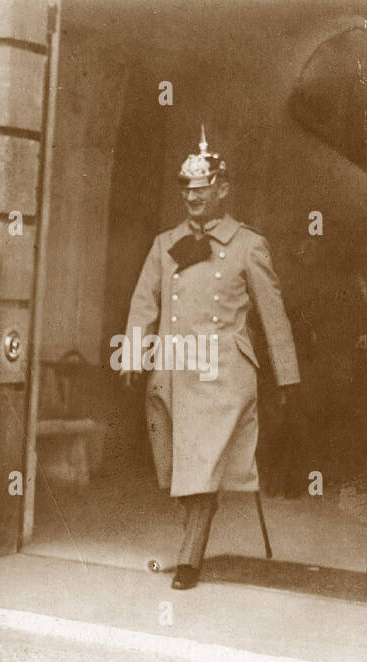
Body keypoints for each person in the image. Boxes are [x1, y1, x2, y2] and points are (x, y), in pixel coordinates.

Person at [122, 130, 299, 589]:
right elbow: (146, 301)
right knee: (177, 465)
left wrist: (287, 376)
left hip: (222, 372)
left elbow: (272, 314)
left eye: (202, 187)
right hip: (173, 366)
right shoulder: (166, 243)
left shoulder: (247, 244)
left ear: (223, 189)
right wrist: (134, 354)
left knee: (200, 463)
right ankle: (200, 518)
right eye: (186, 187)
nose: (192, 196)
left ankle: (189, 557)